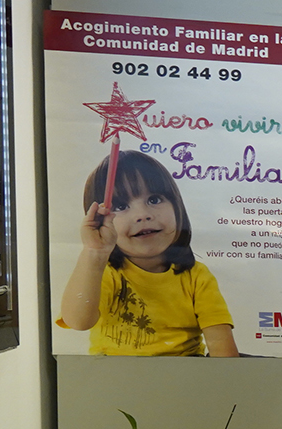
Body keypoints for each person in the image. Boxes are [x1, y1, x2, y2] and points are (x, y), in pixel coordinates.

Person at [58, 150, 238, 356]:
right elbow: (78, 322)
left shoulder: (196, 276)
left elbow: (221, 347)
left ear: (177, 206)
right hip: (117, 374)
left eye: (154, 200)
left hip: (185, 373)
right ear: (99, 220)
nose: (142, 215)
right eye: (121, 206)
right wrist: (94, 252)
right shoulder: (106, 273)